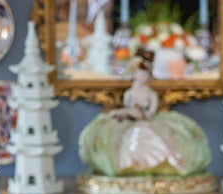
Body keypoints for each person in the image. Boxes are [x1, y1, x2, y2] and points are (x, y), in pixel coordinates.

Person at [78, 49, 211, 177]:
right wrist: (127, 113)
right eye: (139, 74)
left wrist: (142, 115)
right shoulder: (129, 93)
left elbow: (151, 111)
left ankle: (160, 163)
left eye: (145, 74)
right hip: (132, 122)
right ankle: (128, 165)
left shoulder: (151, 94)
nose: (142, 77)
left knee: (154, 137)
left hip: (146, 121)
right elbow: (127, 106)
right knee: (127, 139)